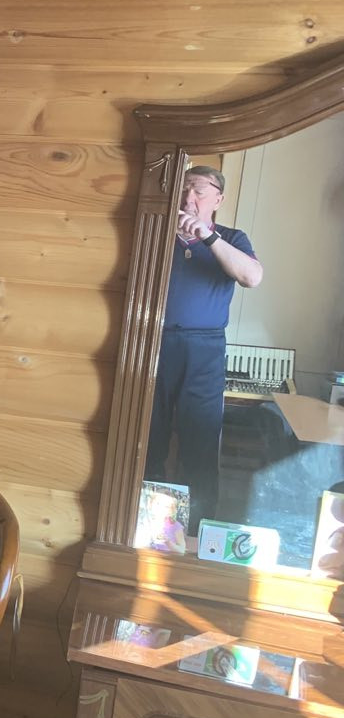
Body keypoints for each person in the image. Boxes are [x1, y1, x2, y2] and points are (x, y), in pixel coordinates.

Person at [145, 165, 263, 534]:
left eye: (198, 190)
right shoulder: (156, 232)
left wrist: (208, 237)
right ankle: (150, 530)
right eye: (183, 189)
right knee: (148, 439)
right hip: (153, 344)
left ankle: (198, 534)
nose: (188, 198)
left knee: (200, 440)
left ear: (218, 199)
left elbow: (252, 277)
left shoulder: (231, 238)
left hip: (205, 349)